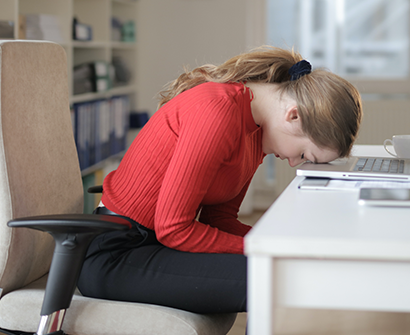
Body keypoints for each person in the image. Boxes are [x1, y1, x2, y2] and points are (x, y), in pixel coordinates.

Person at [77, 46, 363, 314]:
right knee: (280, 279)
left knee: (286, 269)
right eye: (303, 154)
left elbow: (220, 219)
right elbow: (174, 228)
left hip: (155, 247)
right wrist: (265, 247)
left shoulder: (256, 133)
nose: (293, 162)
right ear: (294, 115)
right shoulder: (218, 110)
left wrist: (281, 243)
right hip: (117, 255)